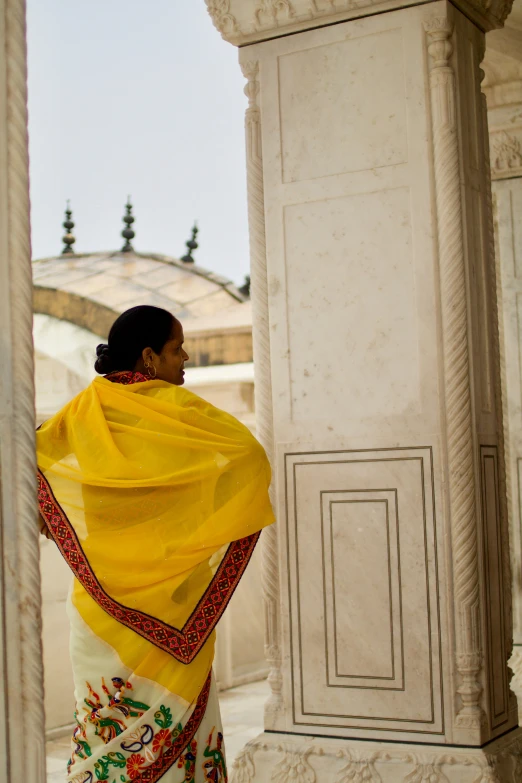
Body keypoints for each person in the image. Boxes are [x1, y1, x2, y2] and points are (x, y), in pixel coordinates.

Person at [36, 305, 274, 783]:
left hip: (99, 605)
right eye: (176, 348)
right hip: (176, 605)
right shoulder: (178, 410)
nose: (186, 356)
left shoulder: (83, 409)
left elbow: (35, 462)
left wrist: (49, 512)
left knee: (103, 735)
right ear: (149, 357)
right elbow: (248, 457)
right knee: (184, 731)